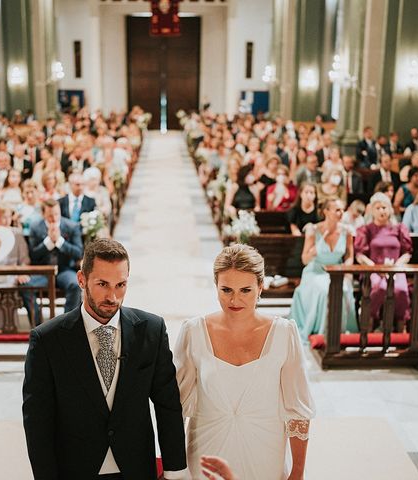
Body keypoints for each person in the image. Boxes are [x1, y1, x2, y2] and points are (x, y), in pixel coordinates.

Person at [22, 238, 187, 479]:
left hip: (136, 468)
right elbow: (37, 422)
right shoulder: (47, 340)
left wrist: (175, 470)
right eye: (102, 284)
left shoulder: (151, 330)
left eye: (121, 284)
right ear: (81, 280)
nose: (113, 296)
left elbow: (168, 404)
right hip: (74, 469)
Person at [174, 244, 315, 480]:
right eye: (226, 289)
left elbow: (298, 410)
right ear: (216, 286)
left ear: (261, 287)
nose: (235, 300)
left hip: (266, 453)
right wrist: (175, 469)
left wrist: (297, 472)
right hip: (206, 453)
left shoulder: (284, 334)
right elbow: (175, 408)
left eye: (246, 290)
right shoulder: (193, 332)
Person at [291, 198, 358, 340]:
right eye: (337, 210)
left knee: (344, 289)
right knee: (325, 290)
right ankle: (323, 331)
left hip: (337, 270)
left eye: (342, 210)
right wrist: (314, 251)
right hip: (315, 270)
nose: (341, 213)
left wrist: (346, 269)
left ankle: (340, 330)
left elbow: (349, 256)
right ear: (326, 211)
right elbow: (304, 259)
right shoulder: (313, 230)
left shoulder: (347, 231)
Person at [355, 192, 413, 331]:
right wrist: (376, 267)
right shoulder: (366, 229)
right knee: (379, 288)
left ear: (390, 209)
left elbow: (407, 253)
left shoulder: (399, 228)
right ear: (372, 210)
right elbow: (360, 255)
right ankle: (369, 323)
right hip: (373, 270)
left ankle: (400, 327)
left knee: (401, 290)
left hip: (396, 269)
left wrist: (396, 266)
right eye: (378, 208)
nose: (382, 211)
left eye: (384, 207)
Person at [25, 199, 83, 322]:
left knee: (75, 284)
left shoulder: (72, 226)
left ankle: (67, 325)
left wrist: (60, 242)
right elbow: (33, 255)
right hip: (43, 272)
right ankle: (38, 325)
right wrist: (49, 242)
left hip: (65, 270)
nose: (54, 218)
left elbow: (79, 252)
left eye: (57, 214)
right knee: (26, 286)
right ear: (43, 214)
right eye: (50, 215)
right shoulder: (35, 227)